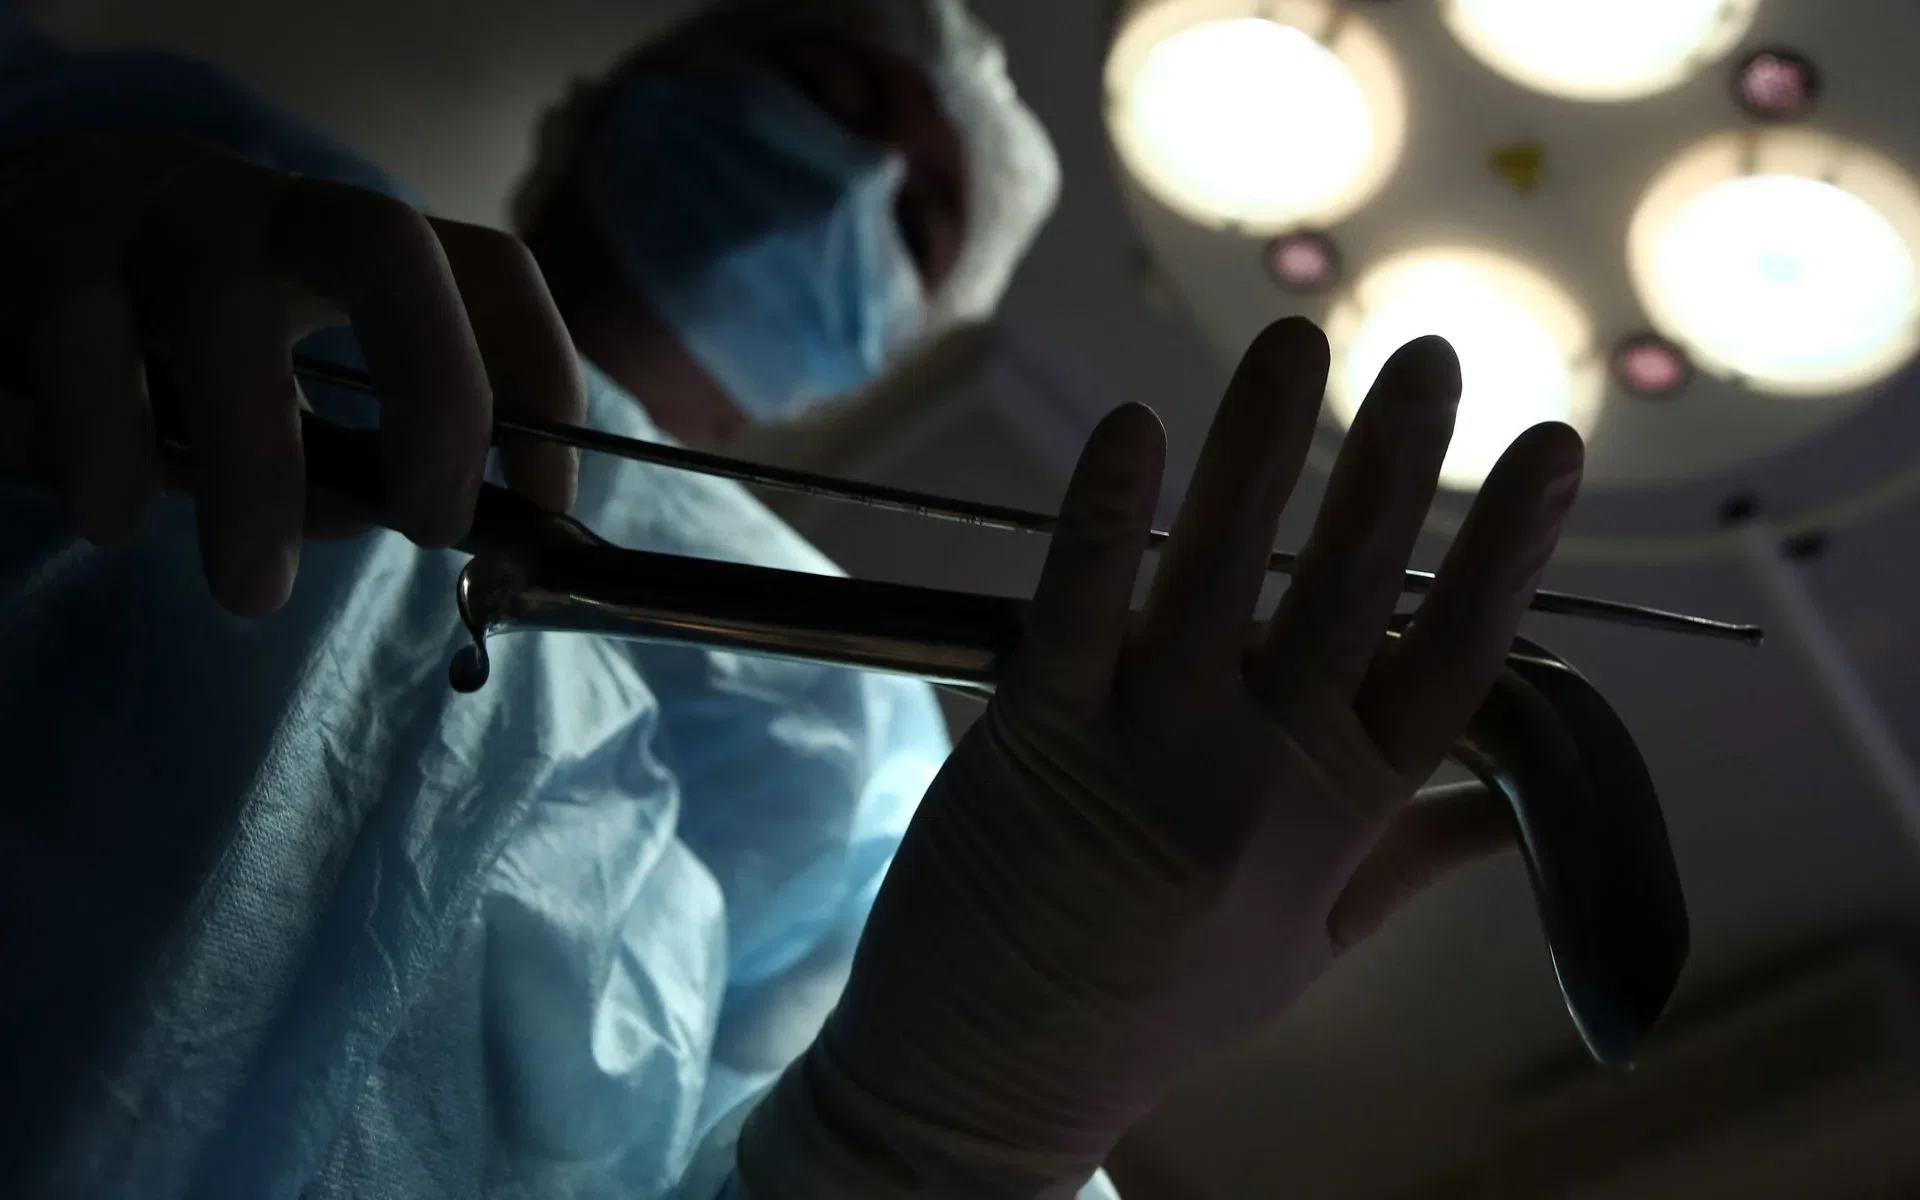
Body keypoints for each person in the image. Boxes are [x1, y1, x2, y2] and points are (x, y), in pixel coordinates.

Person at [0, 3, 1578, 1199]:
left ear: (878, 345)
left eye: (918, 217)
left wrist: (939, 1141)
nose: (857, 171)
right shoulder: (177, 162)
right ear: (613, 96)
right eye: (828, 88)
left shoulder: (858, 733)